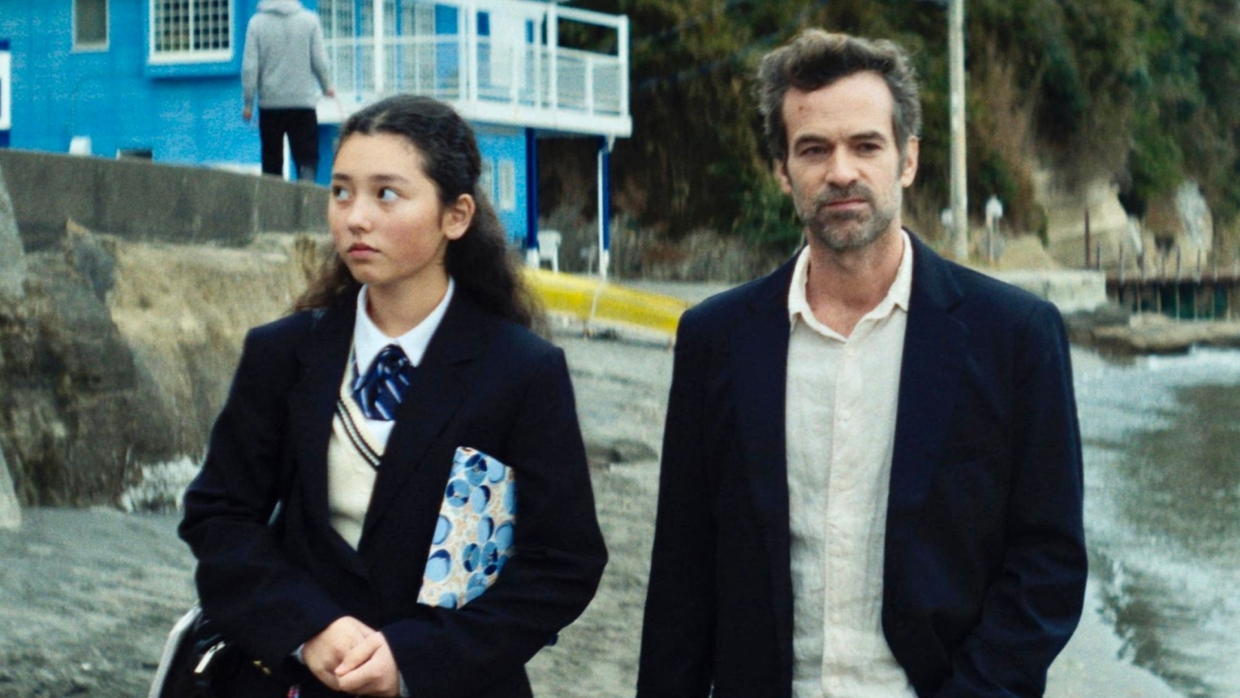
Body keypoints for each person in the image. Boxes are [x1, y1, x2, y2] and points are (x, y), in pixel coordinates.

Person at [637, 29, 1086, 698]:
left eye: (866, 145)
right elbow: (683, 570)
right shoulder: (716, 340)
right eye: (814, 149)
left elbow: (1048, 562)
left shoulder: (1015, 336)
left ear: (907, 159)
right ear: (782, 170)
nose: (841, 171)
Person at [180, 94, 608, 698]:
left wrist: (411, 660)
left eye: (386, 194)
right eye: (341, 192)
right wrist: (308, 628)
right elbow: (220, 517)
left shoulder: (520, 372)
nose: (356, 217)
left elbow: (562, 563)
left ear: (455, 215)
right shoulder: (284, 354)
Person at [242, 0, 336, 181]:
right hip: (303, 103)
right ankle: (306, 192)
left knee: (272, 162)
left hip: (270, 105)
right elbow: (320, 61)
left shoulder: (256, 24)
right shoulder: (310, 20)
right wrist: (327, 87)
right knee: (306, 158)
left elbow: (249, 67)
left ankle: (273, 196)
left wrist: (248, 103)